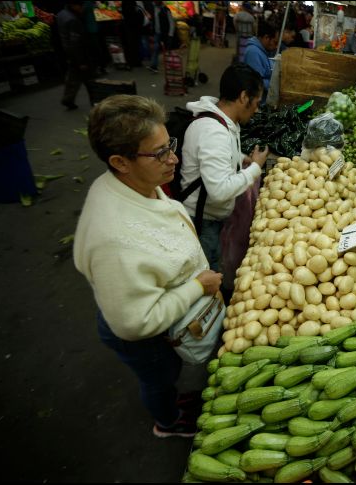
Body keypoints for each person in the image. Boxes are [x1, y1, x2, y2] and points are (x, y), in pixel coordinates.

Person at [73, 95, 223, 438]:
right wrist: (198, 287)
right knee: (159, 377)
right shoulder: (113, 238)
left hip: (138, 300)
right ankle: (167, 422)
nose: (174, 157)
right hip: (139, 332)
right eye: (159, 153)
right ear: (120, 162)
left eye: (169, 144)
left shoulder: (138, 184)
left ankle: (171, 402)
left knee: (165, 374)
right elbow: (135, 323)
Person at [179, 63, 268, 287]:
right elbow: (219, 192)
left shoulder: (220, 122)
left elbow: (211, 156)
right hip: (202, 223)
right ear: (243, 97)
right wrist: (255, 168)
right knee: (206, 285)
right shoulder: (214, 131)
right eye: (256, 103)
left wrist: (239, 158)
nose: (256, 110)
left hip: (210, 219)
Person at [56, 0, 93, 110]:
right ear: (75, 5)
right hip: (77, 53)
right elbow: (75, 42)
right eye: (81, 6)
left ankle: (68, 99)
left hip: (68, 51)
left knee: (72, 76)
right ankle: (96, 100)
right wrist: (81, 61)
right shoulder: (72, 19)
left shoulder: (61, 14)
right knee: (89, 78)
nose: (83, 9)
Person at [242, 19, 279, 104]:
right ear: (266, 38)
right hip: (258, 103)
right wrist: (275, 83)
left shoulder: (262, 50)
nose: (276, 46)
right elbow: (258, 82)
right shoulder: (253, 52)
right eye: (275, 42)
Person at [147, 0, 176, 73]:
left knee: (168, 49)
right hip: (156, 33)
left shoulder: (166, 10)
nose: (155, 2)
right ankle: (154, 66)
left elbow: (171, 23)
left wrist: (170, 35)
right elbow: (152, 21)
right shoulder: (152, 9)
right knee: (155, 49)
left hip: (165, 33)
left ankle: (172, 65)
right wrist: (151, 32)